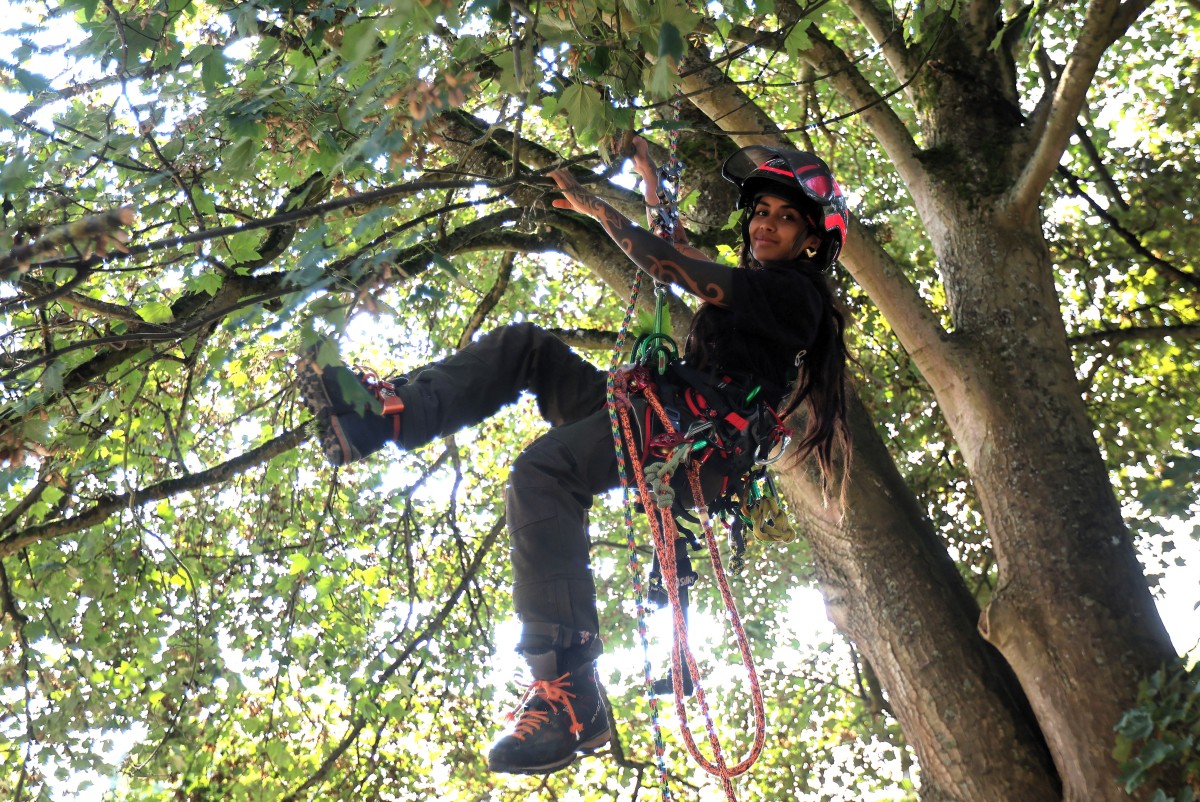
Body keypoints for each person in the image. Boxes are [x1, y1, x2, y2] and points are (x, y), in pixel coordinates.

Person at [296, 137, 852, 775]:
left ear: (813, 239)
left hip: (690, 435)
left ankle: (570, 694)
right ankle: (384, 418)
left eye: (785, 217)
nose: (765, 224)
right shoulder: (751, 286)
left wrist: (597, 209)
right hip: (657, 411)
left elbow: (669, 266)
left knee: (544, 472)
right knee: (530, 349)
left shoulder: (795, 296)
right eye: (761, 211)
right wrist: (650, 186)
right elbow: (681, 255)